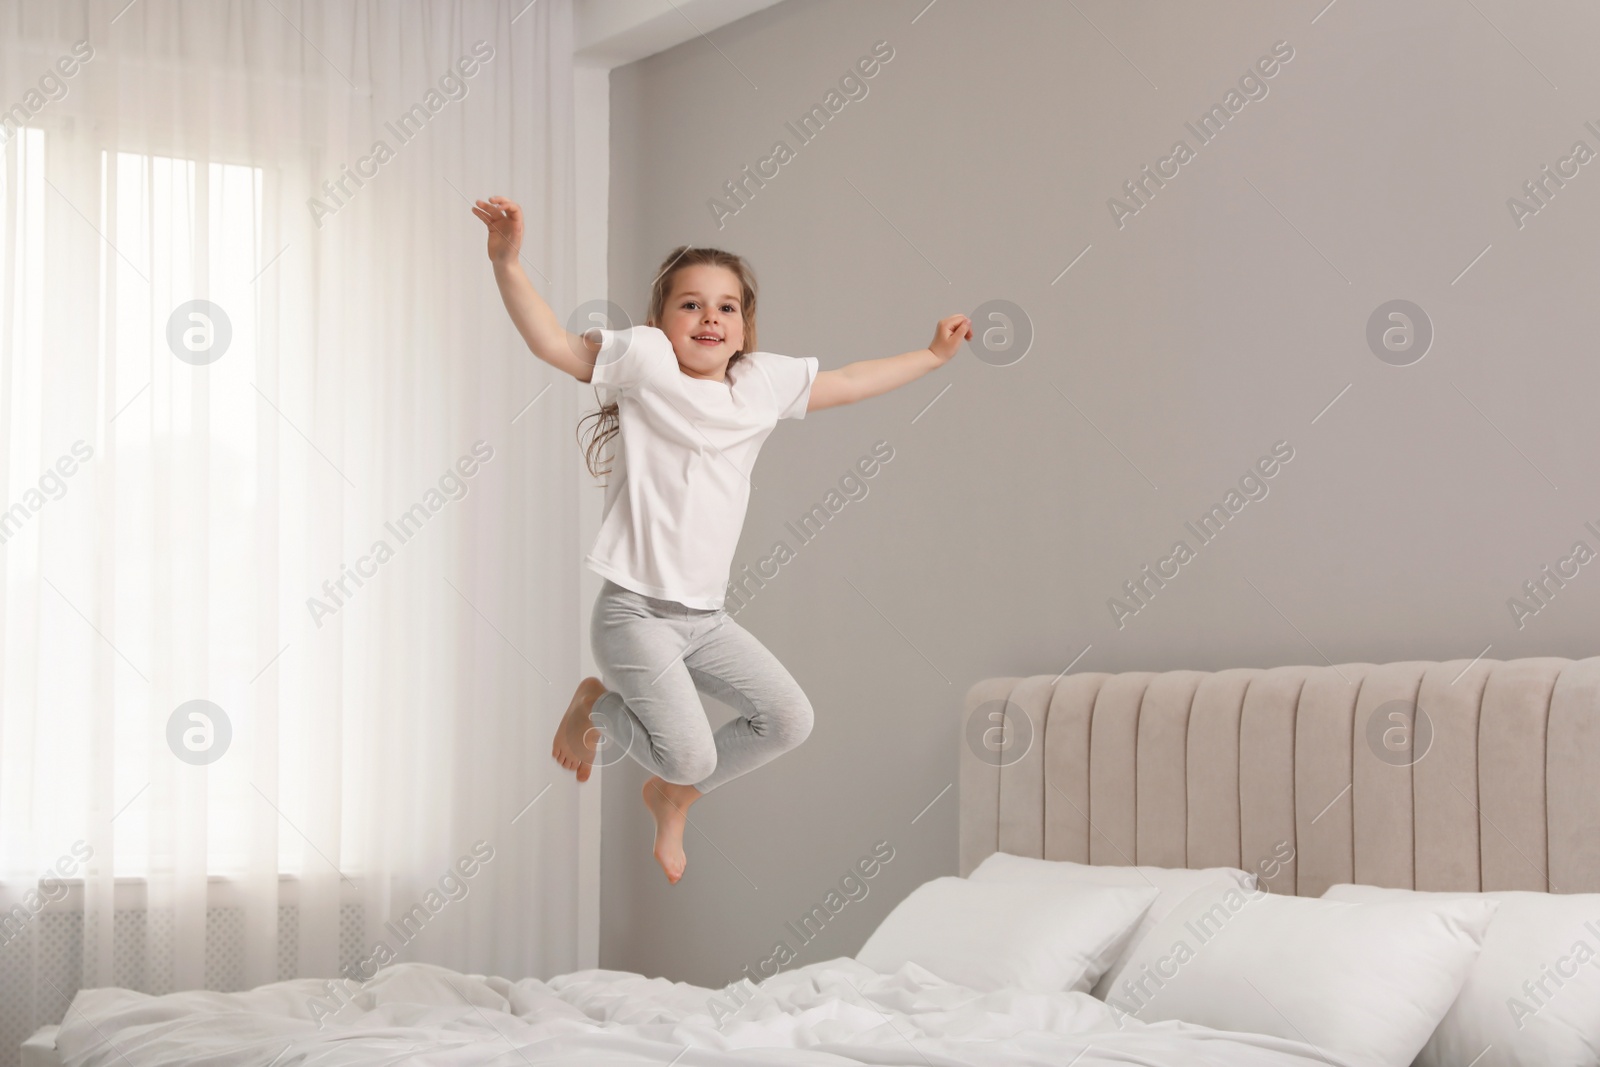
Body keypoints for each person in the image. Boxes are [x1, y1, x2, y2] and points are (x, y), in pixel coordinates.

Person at [474, 196, 970, 883]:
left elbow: (851, 383)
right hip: (634, 614)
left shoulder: (759, 385)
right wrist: (507, 261)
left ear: (744, 326)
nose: (710, 317)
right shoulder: (645, 363)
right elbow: (553, 343)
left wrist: (933, 355)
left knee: (788, 718)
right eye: (691, 305)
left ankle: (672, 795)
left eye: (727, 306)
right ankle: (598, 707)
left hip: (704, 619)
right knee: (690, 752)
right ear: (661, 321)